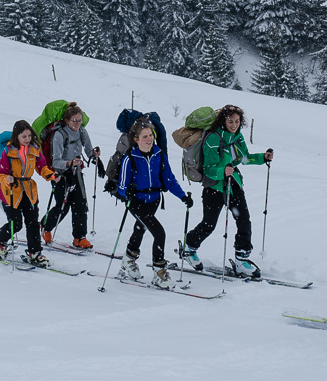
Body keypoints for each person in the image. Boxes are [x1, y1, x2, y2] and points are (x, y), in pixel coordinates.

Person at [181, 104, 272, 276]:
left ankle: (241, 260)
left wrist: (263, 157)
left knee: (244, 220)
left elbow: (244, 158)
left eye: (237, 121)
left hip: (233, 184)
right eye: (230, 121)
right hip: (214, 187)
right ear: (223, 120)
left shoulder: (237, 136)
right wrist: (222, 171)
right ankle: (189, 248)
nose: (234, 124)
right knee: (209, 225)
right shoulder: (213, 139)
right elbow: (208, 168)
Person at [115, 119, 193, 287]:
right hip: (136, 202)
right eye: (145, 136)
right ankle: (159, 271)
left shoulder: (159, 154)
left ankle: (128, 259)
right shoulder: (130, 158)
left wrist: (182, 196)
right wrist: (127, 191)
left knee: (140, 228)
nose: (149, 139)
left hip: (154, 200)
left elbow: (169, 180)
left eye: (151, 135)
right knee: (159, 233)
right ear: (136, 139)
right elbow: (121, 186)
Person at [0, 120, 57, 267]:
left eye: (29, 136)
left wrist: (51, 175)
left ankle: (34, 252)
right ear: (17, 136)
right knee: (15, 224)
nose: (27, 139)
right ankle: (0, 238)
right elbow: (1, 172)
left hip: (28, 191)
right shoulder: (8, 151)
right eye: (24, 136)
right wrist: (6, 179)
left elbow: (42, 167)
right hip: (11, 191)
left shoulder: (34, 150)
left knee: (33, 223)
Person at [42, 103, 102, 248]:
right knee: (62, 207)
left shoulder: (82, 131)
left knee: (81, 206)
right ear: (67, 120)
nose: (77, 123)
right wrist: (69, 163)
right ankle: (45, 227)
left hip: (77, 173)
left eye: (79, 120)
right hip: (61, 175)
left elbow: (88, 149)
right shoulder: (59, 135)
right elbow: (56, 162)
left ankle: (80, 238)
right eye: (74, 120)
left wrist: (93, 156)